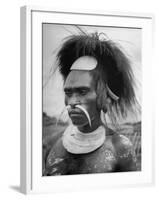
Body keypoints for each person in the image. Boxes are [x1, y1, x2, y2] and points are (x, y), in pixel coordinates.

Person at [43, 32, 138, 176]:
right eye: (68, 93)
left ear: (105, 98)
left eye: (82, 91)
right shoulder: (51, 143)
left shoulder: (120, 148)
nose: (73, 102)